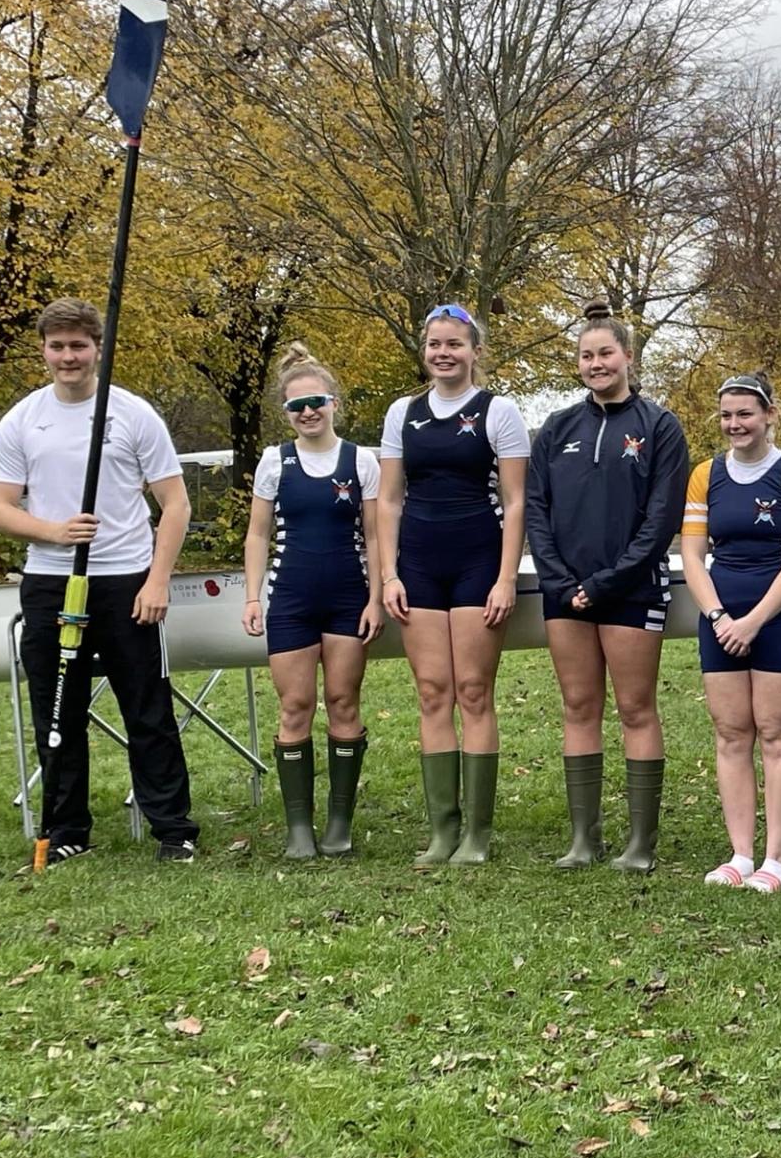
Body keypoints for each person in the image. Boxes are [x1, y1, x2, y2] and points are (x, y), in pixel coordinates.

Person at [0, 297, 199, 862]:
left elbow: (175, 505)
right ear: (44, 351)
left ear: (97, 349)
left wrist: (157, 582)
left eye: (78, 345)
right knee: (58, 709)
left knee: (146, 709)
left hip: (126, 582)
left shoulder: (131, 414)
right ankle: (66, 831)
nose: (68, 356)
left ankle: (172, 830)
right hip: (51, 584)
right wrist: (53, 532)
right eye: (57, 346)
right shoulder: (24, 419)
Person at [527, 302, 690, 873]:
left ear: (628, 357)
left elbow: (661, 517)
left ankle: (640, 844)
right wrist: (559, 578)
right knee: (577, 705)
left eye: (606, 353)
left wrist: (604, 582)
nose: (597, 363)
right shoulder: (556, 429)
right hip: (564, 593)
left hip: (630, 589)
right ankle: (583, 838)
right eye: (586, 355)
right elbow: (537, 511)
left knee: (636, 707)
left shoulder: (659, 426)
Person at [376, 304, 529, 866]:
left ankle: (477, 836)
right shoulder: (403, 412)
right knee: (433, 692)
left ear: (475, 351)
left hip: (477, 563)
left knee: (472, 691)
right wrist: (389, 573)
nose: (444, 353)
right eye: (435, 344)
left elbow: (516, 503)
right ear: (425, 350)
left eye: (455, 345)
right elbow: (389, 500)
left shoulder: (499, 411)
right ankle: (444, 830)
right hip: (417, 564)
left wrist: (506, 578)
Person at [242, 344, 383, 858]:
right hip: (291, 599)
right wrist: (253, 597)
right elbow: (257, 536)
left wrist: (376, 599)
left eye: (316, 402)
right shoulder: (273, 462)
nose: (307, 412)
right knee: (295, 705)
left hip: (348, 599)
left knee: (344, 703)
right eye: (295, 406)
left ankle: (339, 824)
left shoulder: (361, 460)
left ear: (334, 403)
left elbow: (374, 536)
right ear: (285, 411)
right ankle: (299, 828)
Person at [681, 373, 781, 891]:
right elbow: (693, 555)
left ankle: (776, 859)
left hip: (776, 618)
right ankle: (740, 855)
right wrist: (719, 617)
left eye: (745, 413)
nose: (735, 424)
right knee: (730, 734)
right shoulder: (705, 475)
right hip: (720, 619)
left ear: (768, 415)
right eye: (726, 415)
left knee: (777, 733)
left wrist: (754, 620)